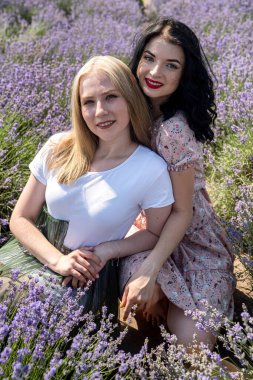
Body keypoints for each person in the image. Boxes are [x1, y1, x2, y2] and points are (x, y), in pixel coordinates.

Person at [0, 55, 174, 316]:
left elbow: (154, 233)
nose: (100, 111)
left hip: (83, 278)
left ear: (130, 98)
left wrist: (108, 250)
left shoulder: (150, 168)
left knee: (25, 312)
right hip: (33, 256)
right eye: (88, 102)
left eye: (111, 97)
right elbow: (21, 218)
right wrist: (58, 260)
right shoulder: (58, 147)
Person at [117, 18, 236, 348]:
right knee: (141, 303)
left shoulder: (174, 133)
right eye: (150, 59)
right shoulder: (136, 112)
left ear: (184, 75)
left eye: (171, 65)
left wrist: (151, 271)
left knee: (191, 342)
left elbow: (183, 213)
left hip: (195, 244)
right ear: (139, 59)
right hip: (148, 229)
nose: (155, 73)